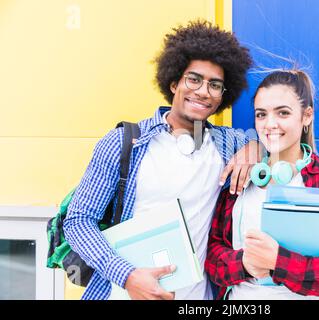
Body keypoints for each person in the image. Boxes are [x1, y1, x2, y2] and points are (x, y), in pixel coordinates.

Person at [63, 20, 260, 300]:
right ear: (173, 82)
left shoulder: (227, 144)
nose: (204, 91)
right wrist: (127, 276)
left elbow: (280, 141)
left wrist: (255, 148)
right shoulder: (124, 143)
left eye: (215, 85)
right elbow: (79, 221)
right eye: (194, 79)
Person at [205, 69, 319, 300]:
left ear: (307, 116)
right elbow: (212, 258)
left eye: (283, 113)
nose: (269, 124)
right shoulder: (242, 177)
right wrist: (244, 264)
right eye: (261, 114)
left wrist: (280, 263)